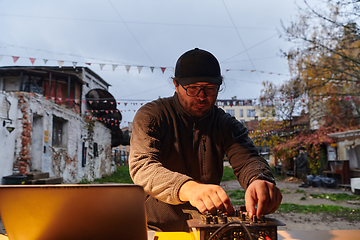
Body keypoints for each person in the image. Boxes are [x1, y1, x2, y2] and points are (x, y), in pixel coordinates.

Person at [129, 48, 282, 232]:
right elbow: (143, 166)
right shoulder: (152, 116)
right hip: (156, 228)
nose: (202, 96)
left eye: (210, 89)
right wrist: (188, 188)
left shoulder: (226, 124)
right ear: (176, 85)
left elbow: (248, 159)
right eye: (192, 88)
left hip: (208, 228)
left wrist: (259, 179)